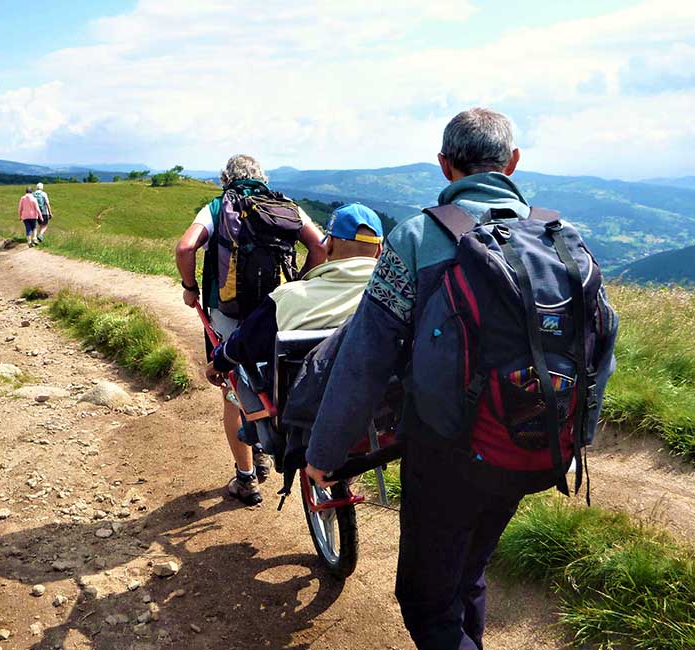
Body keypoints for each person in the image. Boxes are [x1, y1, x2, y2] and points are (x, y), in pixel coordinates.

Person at [304, 108, 618, 650]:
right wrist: (574, 437)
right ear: (513, 163)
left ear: (445, 166)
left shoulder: (419, 238)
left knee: (426, 602)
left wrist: (325, 453)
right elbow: (601, 345)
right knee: (469, 568)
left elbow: (365, 358)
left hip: (447, 454)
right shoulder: (563, 237)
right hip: (536, 446)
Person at [175, 154, 328, 506]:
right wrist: (300, 285)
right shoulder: (285, 205)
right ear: (262, 177)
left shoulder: (217, 208)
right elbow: (320, 245)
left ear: (225, 179)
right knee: (279, 377)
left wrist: (190, 286)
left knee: (233, 388)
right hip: (278, 310)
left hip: (229, 313)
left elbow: (185, 247)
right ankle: (275, 439)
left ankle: (246, 478)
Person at [207, 203, 383, 376]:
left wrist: (219, 361)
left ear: (329, 245)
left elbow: (244, 344)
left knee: (244, 374)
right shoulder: (396, 300)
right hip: (373, 399)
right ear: (379, 251)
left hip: (301, 401)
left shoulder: (287, 298)